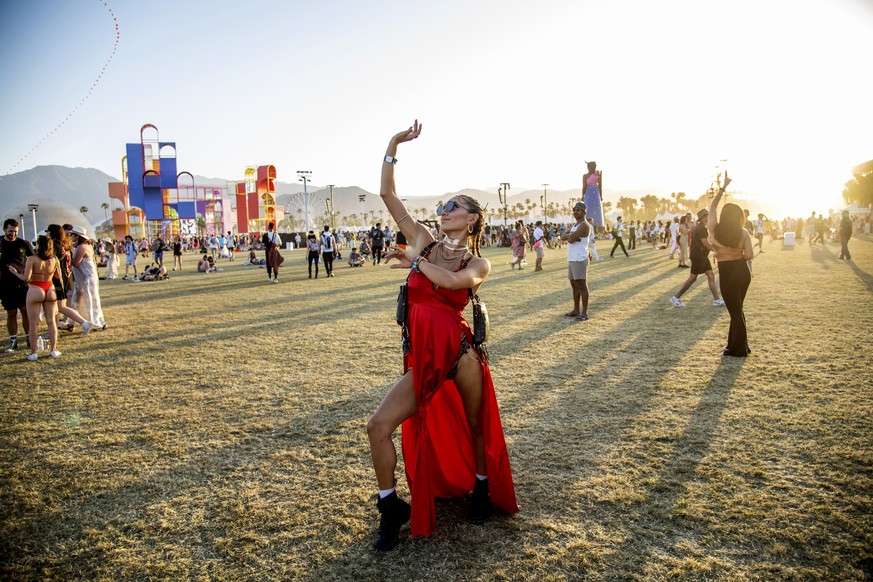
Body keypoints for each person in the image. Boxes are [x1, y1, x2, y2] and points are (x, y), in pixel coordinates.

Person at [367, 120, 518, 551]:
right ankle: (389, 507)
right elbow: (388, 195)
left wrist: (415, 264)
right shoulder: (424, 240)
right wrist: (394, 144)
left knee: (475, 424)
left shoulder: (478, 262)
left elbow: (453, 286)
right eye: (443, 204)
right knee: (378, 426)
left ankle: (483, 486)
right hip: (425, 357)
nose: (444, 209)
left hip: (461, 353)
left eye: (454, 205)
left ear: (471, 218)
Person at [708, 175, 753, 357]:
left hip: (728, 272)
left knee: (735, 312)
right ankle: (737, 345)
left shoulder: (714, 229)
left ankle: (738, 349)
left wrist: (722, 188)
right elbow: (749, 255)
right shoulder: (743, 232)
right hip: (742, 271)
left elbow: (712, 207)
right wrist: (737, 252)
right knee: (737, 310)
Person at [6, 235, 61, 360]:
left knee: (33, 323)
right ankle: (53, 350)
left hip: (35, 288)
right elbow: (57, 277)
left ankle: (34, 352)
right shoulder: (54, 259)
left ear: (39, 245)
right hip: (50, 288)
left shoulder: (31, 259)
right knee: (51, 321)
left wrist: (15, 273)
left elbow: (26, 278)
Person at [669, 209, 725, 308]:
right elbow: (706, 243)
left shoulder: (699, 227)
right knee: (692, 278)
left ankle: (716, 300)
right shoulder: (702, 228)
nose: (710, 218)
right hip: (699, 256)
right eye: (708, 215)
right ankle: (676, 297)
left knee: (710, 275)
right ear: (704, 217)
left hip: (701, 255)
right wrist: (717, 251)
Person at [47, 224, 93, 336]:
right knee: (58, 307)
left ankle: (83, 323)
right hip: (65, 278)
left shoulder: (55, 246)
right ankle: (55, 330)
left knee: (59, 307)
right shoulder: (65, 245)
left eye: (48, 232)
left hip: (58, 279)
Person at [1, 219, 33, 353]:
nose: (13, 234)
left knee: (25, 310)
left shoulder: (23, 244)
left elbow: (33, 260)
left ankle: (29, 338)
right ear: (4, 230)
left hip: (22, 283)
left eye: (15, 231)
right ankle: (13, 340)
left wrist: (29, 276)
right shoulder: (0, 243)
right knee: (11, 312)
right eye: (10, 231)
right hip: (5, 284)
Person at [69, 226, 107, 330]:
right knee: (76, 300)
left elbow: (75, 263)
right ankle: (73, 321)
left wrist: (67, 257)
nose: (70, 236)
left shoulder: (82, 247)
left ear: (77, 236)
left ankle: (95, 322)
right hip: (82, 277)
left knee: (90, 299)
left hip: (87, 278)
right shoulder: (83, 246)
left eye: (72, 234)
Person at [560, 202, 592, 320]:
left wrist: (571, 236)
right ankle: (576, 309)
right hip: (572, 258)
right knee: (574, 284)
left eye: (579, 210)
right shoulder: (575, 225)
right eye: (574, 209)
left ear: (584, 212)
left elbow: (570, 239)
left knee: (581, 284)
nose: (576, 212)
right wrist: (571, 236)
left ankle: (584, 313)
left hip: (579, 258)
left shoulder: (584, 225)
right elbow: (563, 236)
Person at [583, 161, 604, 229]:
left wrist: (583, 196)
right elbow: (600, 187)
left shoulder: (587, 176)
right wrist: (600, 196)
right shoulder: (597, 175)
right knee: (595, 209)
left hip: (590, 194)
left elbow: (584, 187)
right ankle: (598, 225)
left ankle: (592, 225)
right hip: (595, 194)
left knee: (590, 209)